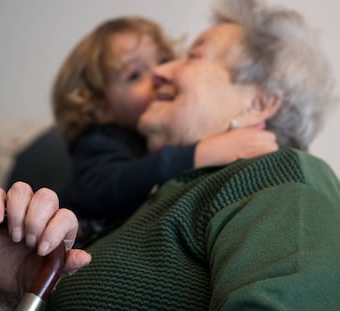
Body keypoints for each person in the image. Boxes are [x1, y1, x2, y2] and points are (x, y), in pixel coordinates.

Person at [0, 0, 340, 309]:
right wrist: (1, 297)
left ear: (259, 102)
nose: (160, 70)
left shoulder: (279, 176)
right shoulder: (157, 192)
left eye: (193, 55)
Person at [52, 16, 278, 244]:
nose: (160, 73)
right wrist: (199, 154)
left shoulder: (159, 136)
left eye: (164, 59)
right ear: (101, 107)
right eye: (135, 75)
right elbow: (113, 187)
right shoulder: (98, 141)